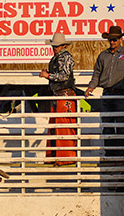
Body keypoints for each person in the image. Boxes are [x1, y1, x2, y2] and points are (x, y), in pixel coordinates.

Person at [85, 25, 124, 157]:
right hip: (107, 93)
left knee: (120, 124)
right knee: (107, 124)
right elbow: (96, 74)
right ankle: (110, 152)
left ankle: (120, 151)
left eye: (115, 39)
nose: (112, 42)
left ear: (120, 39)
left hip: (121, 94)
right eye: (111, 40)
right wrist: (91, 87)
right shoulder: (103, 55)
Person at [39, 33, 77, 166]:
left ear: (63, 46)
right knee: (57, 126)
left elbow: (64, 76)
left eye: (56, 46)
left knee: (62, 125)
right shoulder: (57, 58)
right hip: (58, 95)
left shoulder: (65, 57)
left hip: (64, 95)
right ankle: (58, 156)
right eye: (54, 46)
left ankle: (65, 157)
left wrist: (48, 75)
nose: (54, 48)